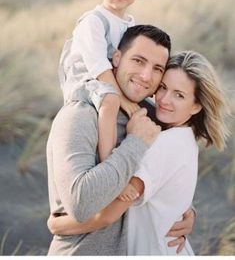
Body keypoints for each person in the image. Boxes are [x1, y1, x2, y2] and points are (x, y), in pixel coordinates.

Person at [48, 50, 229, 255]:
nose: (164, 100)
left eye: (179, 95)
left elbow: (109, 215)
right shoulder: (182, 137)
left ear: (196, 106)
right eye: (163, 88)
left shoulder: (165, 144)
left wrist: (57, 226)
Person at [59, 0, 145, 162]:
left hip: (110, 80)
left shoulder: (130, 24)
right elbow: (97, 66)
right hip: (87, 80)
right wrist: (124, 100)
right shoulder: (94, 21)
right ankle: (107, 158)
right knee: (111, 99)